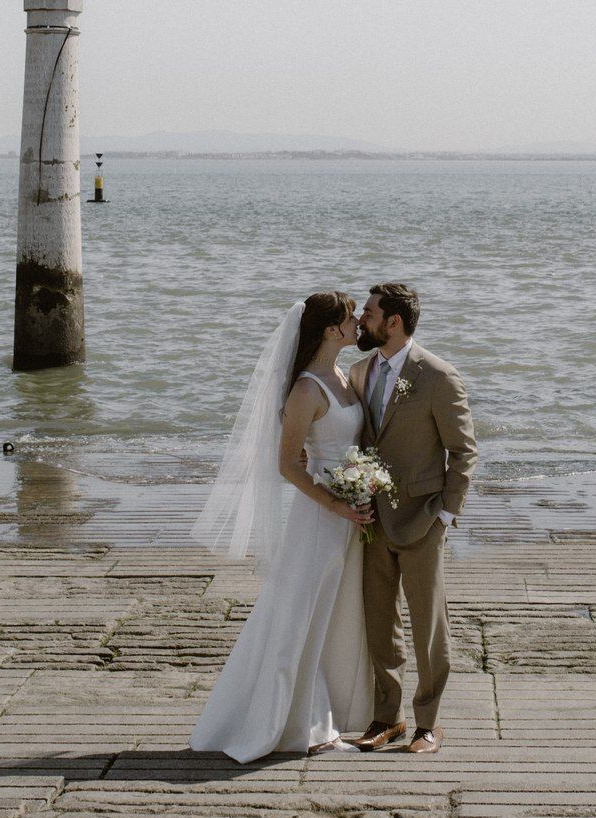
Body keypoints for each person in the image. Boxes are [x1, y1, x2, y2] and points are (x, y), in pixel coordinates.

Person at [188, 292, 375, 761]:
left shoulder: (342, 378)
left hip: (348, 513)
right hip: (319, 518)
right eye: (350, 318)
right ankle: (281, 723)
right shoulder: (307, 389)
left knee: (329, 616)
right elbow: (288, 466)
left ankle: (320, 716)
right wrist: (335, 503)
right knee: (296, 613)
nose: (357, 323)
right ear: (332, 330)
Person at [346, 282, 477, 756]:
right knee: (380, 621)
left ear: (393, 321)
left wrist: (445, 513)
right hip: (371, 519)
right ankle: (388, 718)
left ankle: (429, 724)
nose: (362, 319)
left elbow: (463, 452)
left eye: (369, 312)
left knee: (428, 624)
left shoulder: (438, 376)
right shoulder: (359, 372)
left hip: (423, 518)